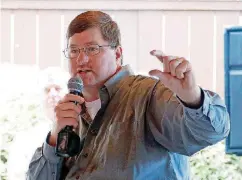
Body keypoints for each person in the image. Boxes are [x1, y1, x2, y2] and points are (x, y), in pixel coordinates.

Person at [26, 11, 230, 180]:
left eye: (92, 49)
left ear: (117, 53)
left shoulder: (148, 95)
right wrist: (54, 138)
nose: (81, 59)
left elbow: (211, 131)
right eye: (74, 50)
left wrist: (192, 98)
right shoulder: (71, 112)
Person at [6, 67, 68, 180]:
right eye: (47, 90)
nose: (52, 94)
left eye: (58, 88)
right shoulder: (25, 140)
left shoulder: (83, 131)